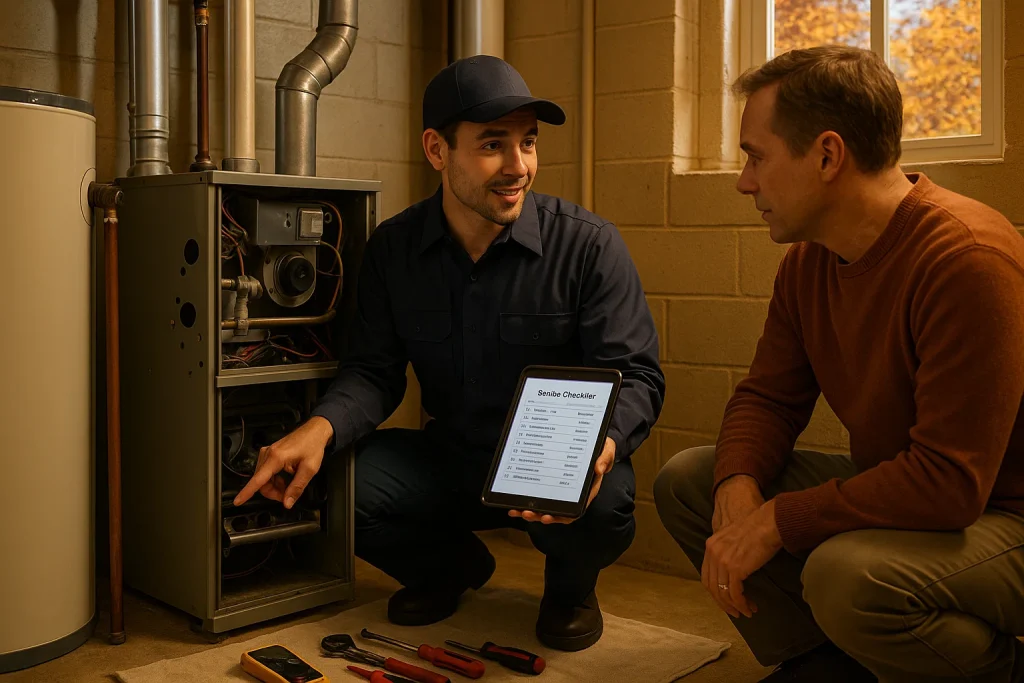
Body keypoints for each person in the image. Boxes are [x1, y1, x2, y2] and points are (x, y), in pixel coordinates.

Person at [233, 54, 665, 652]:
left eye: (529, 143)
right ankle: (451, 570)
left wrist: (600, 447)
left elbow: (637, 375)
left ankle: (569, 590)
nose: (519, 167)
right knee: (336, 478)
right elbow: (373, 372)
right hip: (452, 458)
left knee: (609, 497)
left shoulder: (589, 246)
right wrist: (320, 428)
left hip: (551, 466)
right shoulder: (394, 250)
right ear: (437, 151)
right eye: (493, 145)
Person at [654, 45, 1024, 683]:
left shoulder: (966, 259)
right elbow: (767, 398)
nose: (745, 181)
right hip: (931, 495)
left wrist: (779, 518)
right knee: (693, 479)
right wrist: (740, 487)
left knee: (845, 575)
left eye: (755, 156)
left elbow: (949, 483)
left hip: (1006, 514)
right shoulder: (809, 262)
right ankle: (824, 661)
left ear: (827, 155)